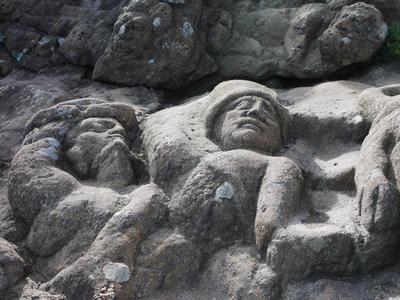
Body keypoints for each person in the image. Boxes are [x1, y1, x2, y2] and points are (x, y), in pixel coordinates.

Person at [144, 80, 303, 255]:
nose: (255, 111)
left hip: (225, 252)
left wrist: (271, 239)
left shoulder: (279, 164)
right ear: (214, 125)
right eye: (242, 105)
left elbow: (271, 221)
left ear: (279, 137)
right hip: (173, 239)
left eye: (268, 111)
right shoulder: (193, 157)